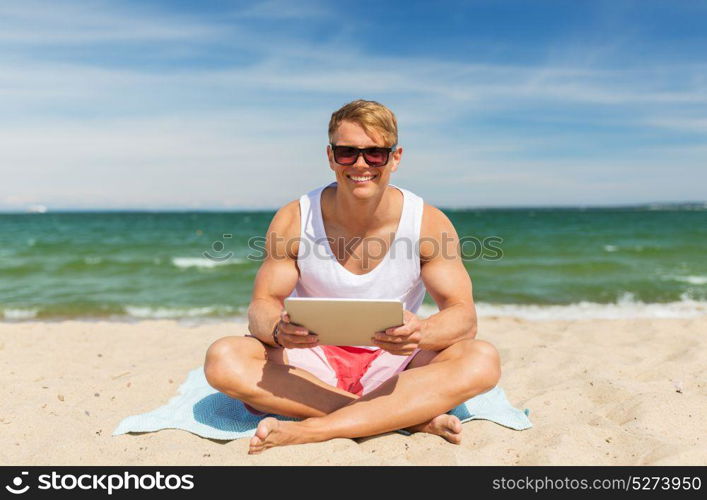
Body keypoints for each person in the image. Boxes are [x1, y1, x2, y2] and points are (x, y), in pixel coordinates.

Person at [204, 99, 501, 454]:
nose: (361, 165)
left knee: (481, 359)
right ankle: (403, 417)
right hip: (311, 363)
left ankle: (317, 429)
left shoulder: (428, 222)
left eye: (375, 154)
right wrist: (278, 330)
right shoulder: (295, 218)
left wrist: (421, 332)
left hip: (396, 362)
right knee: (223, 357)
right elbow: (261, 306)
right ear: (331, 156)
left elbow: (463, 316)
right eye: (347, 153)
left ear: (395, 157)